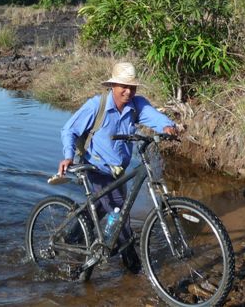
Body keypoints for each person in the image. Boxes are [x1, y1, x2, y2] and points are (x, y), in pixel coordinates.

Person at [58, 62, 177, 274]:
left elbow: (154, 117)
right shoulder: (97, 106)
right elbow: (69, 129)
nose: (128, 91)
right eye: (123, 86)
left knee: (102, 209)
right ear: (113, 85)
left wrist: (168, 126)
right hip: (94, 168)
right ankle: (132, 267)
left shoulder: (136, 105)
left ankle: (71, 240)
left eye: (132, 87)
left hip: (117, 172)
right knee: (119, 212)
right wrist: (67, 156)